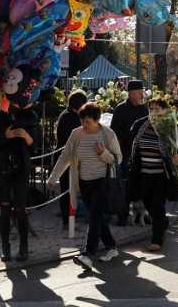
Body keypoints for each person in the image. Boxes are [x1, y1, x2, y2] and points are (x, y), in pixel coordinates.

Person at [46, 102, 122, 271]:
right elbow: (65, 157)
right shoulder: (76, 134)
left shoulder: (108, 134)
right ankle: (112, 247)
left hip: (102, 181)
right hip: (84, 182)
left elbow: (118, 159)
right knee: (97, 218)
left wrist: (102, 153)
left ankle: (88, 254)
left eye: (87, 121)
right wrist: (53, 178)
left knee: (94, 216)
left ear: (97, 120)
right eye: (82, 121)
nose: (84, 125)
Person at [126, 97, 178, 252]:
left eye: (157, 109)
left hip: (161, 175)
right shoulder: (140, 125)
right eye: (151, 109)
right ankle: (163, 223)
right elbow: (133, 146)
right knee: (148, 203)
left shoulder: (169, 126)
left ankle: (156, 239)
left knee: (157, 205)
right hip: (143, 173)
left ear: (164, 110)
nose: (154, 112)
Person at [0, 104, 37, 262]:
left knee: (20, 208)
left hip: (20, 169)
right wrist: (5, 136)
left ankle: (23, 247)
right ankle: (5, 248)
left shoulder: (28, 118)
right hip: (1, 168)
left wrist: (27, 136)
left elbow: (34, 146)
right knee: (5, 207)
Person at [110, 79, 148, 225]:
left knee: (141, 184)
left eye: (142, 93)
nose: (141, 95)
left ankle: (141, 215)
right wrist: (130, 140)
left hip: (141, 152)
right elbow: (115, 128)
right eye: (139, 93)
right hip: (125, 152)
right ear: (131, 94)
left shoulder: (144, 109)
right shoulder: (121, 109)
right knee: (124, 184)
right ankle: (123, 215)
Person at [54, 89, 88, 228]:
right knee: (68, 189)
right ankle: (68, 222)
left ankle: (68, 221)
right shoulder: (72, 118)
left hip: (64, 155)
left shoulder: (65, 115)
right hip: (69, 157)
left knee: (67, 189)